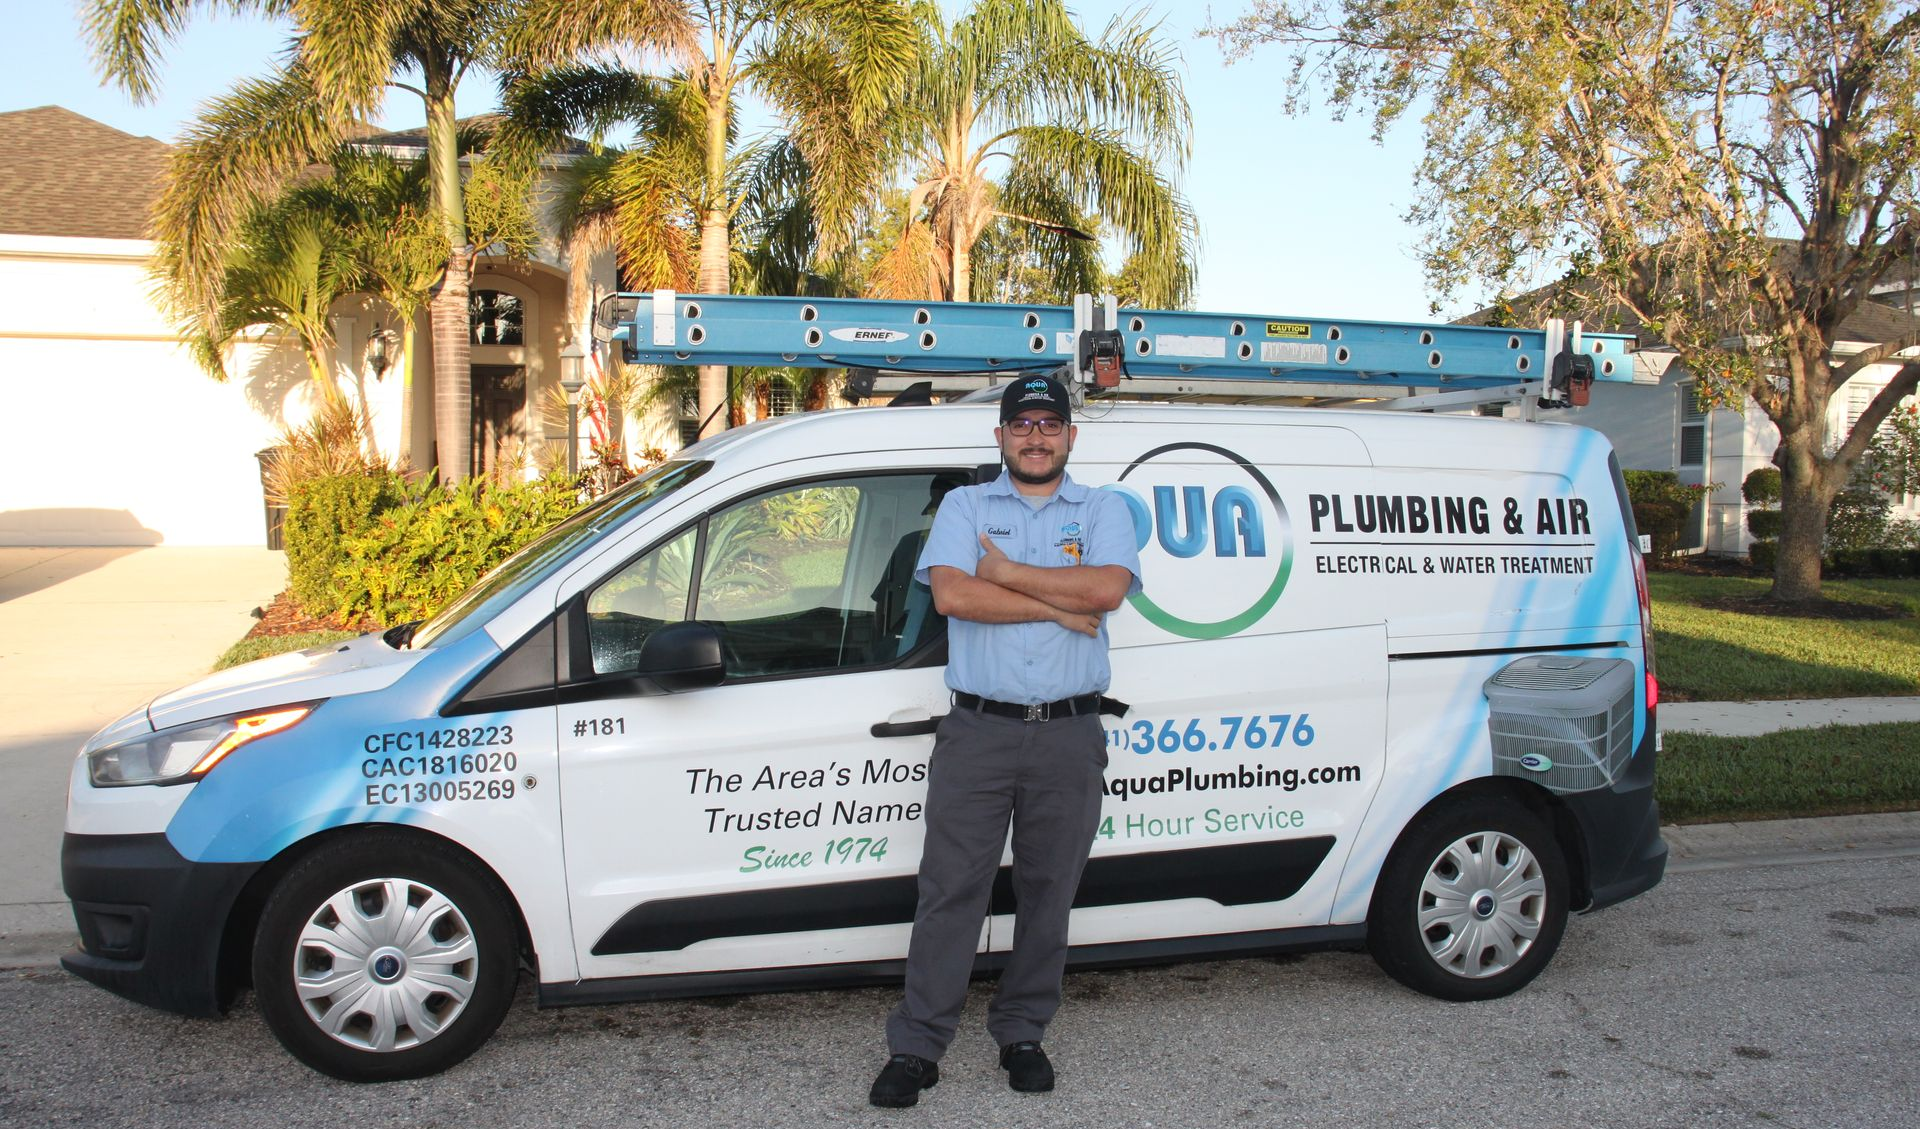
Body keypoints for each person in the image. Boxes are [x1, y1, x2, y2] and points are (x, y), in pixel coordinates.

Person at [869, 374, 1142, 1108]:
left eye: (1049, 423)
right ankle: (918, 1046)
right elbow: (955, 596)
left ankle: (1023, 1032)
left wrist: (1009, 575)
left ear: (1070, 437)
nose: (1035, 435)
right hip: (979, 731)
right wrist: (1061, 604)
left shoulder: (1105, 509)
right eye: (1021, 423)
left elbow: (1107, 592)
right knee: (950, 892)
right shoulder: (964, 504)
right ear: (1000, 436)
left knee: (1049, 892)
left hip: (1068, 733)